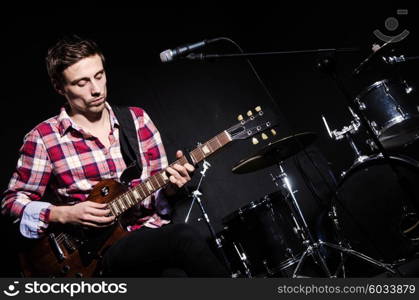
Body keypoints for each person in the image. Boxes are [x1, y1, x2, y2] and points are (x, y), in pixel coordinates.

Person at [1, 35, 228, 277]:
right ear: (59, 87)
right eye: (81, 82)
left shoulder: (137, 120)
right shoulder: (44, 138)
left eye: (99, 76)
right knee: (182, 238)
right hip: (93, 256)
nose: (96, 89)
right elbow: (12, 202)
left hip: (147, 234)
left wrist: (171, 187)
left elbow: (157, 198)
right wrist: (64, 214)